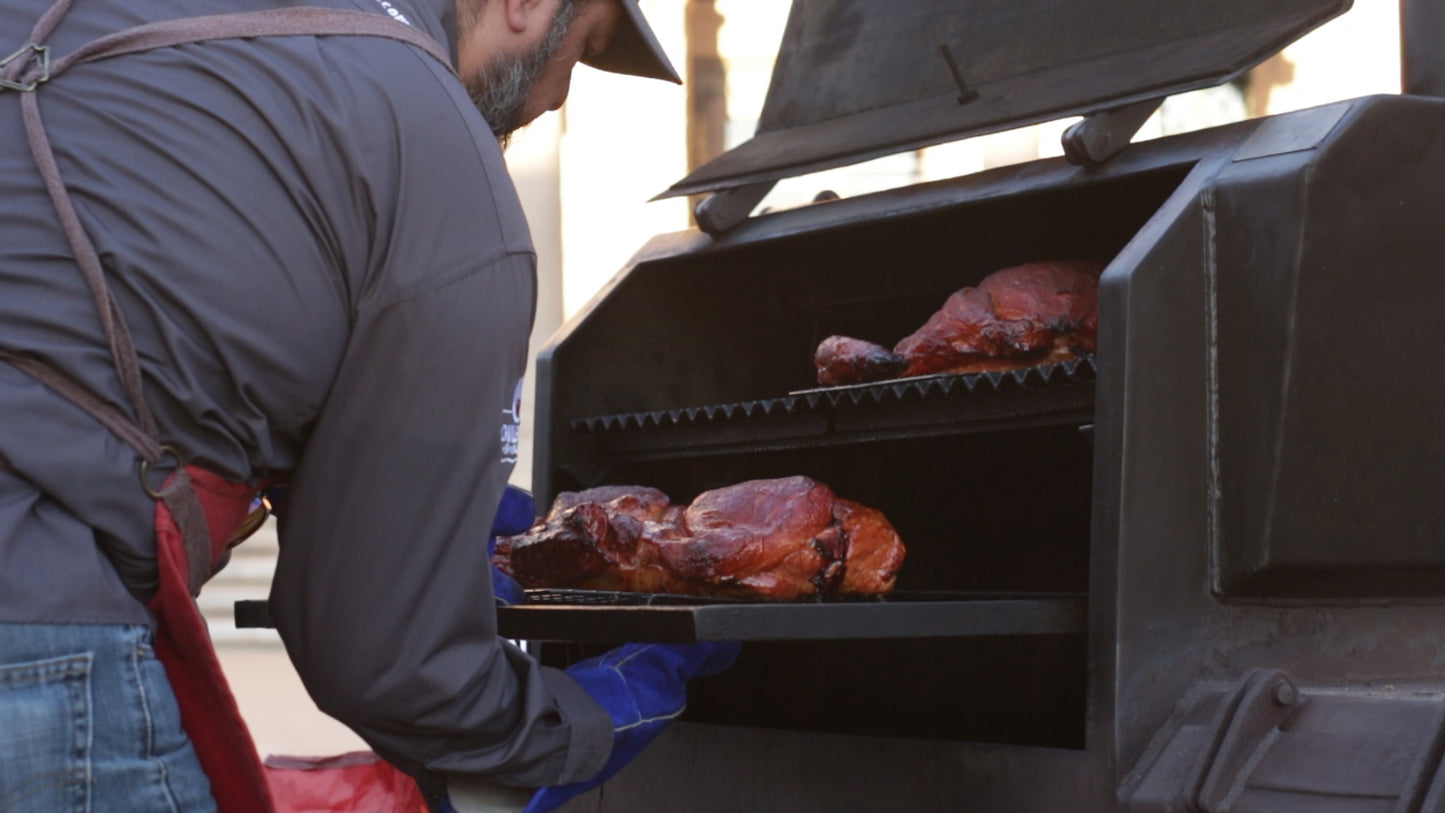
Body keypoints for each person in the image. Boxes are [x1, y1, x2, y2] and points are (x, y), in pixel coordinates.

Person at [0, 0, 736, 811]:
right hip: (37, 645)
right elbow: (392, 661)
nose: (556, 101)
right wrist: (578, 722)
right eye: (584, 51)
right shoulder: (438, 153)